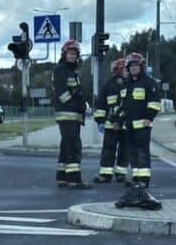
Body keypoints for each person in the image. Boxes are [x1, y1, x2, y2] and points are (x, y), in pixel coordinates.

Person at [52, 40, 92, 189]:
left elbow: (76, 92)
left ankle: (62, 177)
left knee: (66, 145)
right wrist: (79, 106)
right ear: (64, 54)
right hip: (67, 113)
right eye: (70, 53)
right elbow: (63, 94)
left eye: (75, 54)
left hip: (72, 114)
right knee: (73, 146)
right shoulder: (61, 70)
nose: (73, 56)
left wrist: (83, 104)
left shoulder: (72, 72)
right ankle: (74, 180)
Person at [118, 53, 161, 187]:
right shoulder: (126, 84)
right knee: (133, 153)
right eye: (131, 66)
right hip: (130, 125)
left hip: (143, 124)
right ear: (128, 68)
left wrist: (149, 118)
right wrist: (120, 119)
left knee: (142, 151)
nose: (134, 68)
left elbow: (154, 103)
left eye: (136, 65)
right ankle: (136, 177)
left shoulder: (149, 82)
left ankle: (144, 179)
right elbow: (122, 104)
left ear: (141, 67)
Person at [93, 58, 129, 183]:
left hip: (124, 125)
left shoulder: (130, 84)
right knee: (109, 149)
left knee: (124, 150)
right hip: (111, 124)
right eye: (125, 69)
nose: (127, 71)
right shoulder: (109, 85)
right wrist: (100, 121)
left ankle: (120, 173)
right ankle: (106, 173)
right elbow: (101, 105)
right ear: (118, 70)